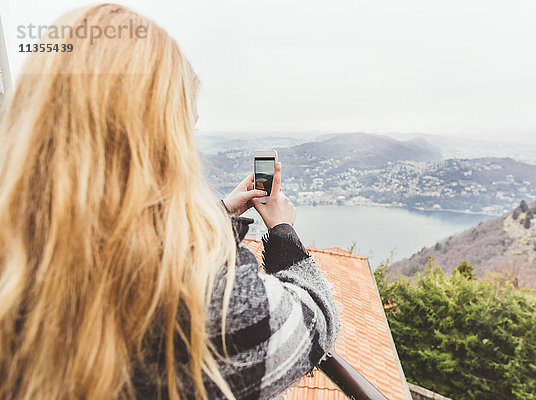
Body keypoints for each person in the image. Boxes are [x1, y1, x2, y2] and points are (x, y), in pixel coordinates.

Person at [0, 4, 339, 399]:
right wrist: (282, 232)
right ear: (158, 142)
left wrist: (224, 212)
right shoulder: (198, 299)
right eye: (184, 128)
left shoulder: (17, 257)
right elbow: (315, 320)